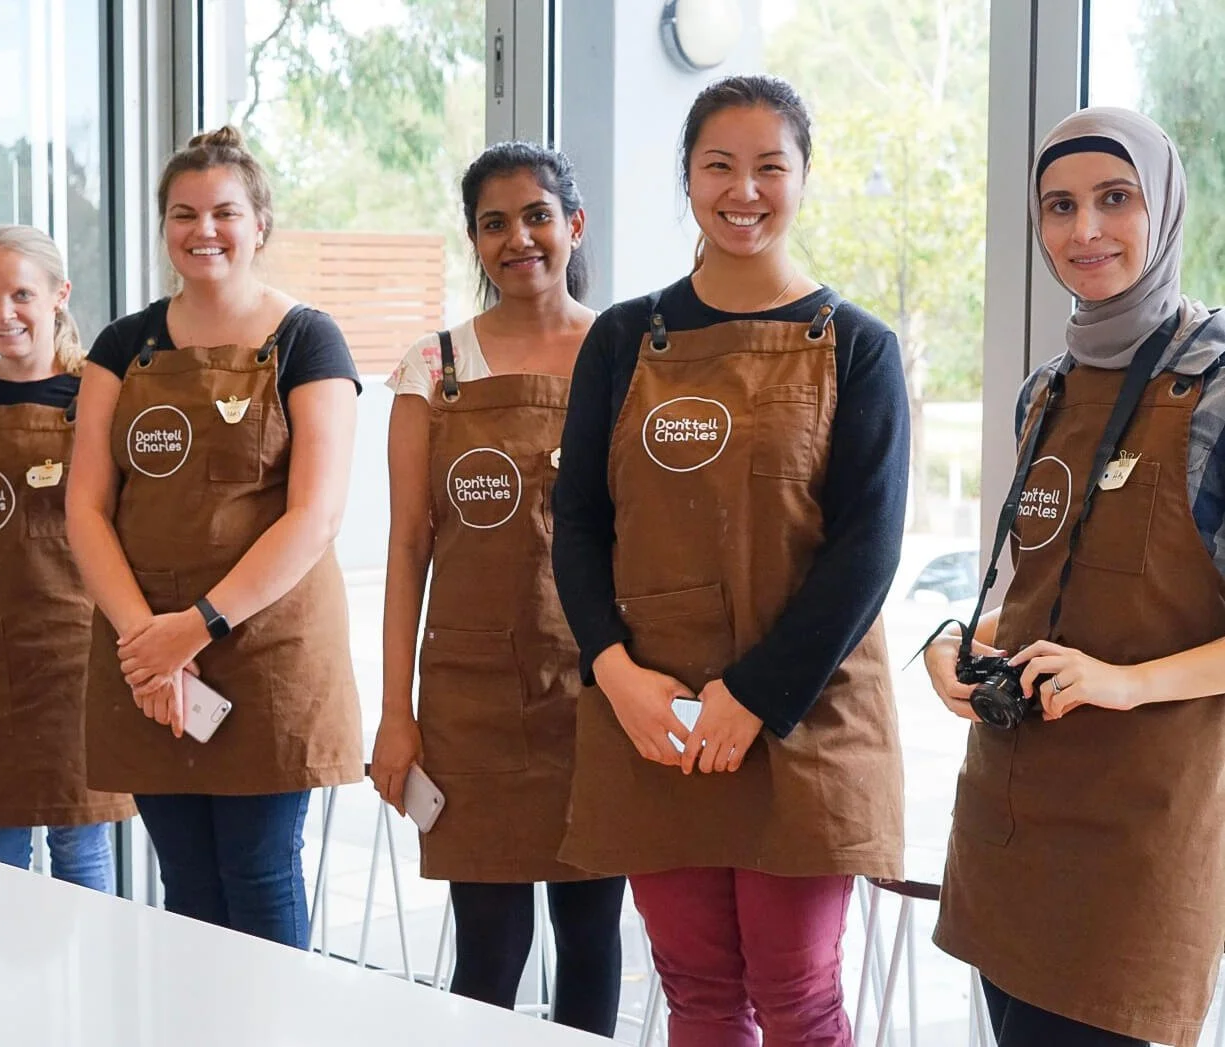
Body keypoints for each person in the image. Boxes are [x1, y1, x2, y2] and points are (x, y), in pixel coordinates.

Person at [551, 74, 908, 1047]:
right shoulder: (622, 339)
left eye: (767, 167)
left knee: (798, 996)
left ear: (802, 179)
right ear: (686, 179)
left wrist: (750, 697)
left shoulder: (857, 347)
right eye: (718, 165)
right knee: (696, 988)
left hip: (803, 717)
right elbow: (575, 521)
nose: (741, 190)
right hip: (655, 717)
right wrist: (614, 672)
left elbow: (865, 550)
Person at [928, 108, 1225, 1047]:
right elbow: (1035, 590)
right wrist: (952, 644)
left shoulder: (1215, 384)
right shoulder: (1043, 392)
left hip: (1140, 839)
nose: (1083, 229)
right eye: (1058, 205)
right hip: (1007, 821)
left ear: (1165, 208)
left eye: (1114, 198)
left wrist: (1124, 681)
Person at [66, 126, 363, 948]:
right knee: (187, 878)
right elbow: (85, 508)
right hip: (146, 652)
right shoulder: (121, 348)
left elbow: (316, 513)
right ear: (163, 227)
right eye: (183, 213)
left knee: (260, 870)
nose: (204, 230)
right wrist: (144, 640)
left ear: (259, 224)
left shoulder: (309, 339)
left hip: (265, 649)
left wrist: (191, 629)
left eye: (225, 212)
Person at [369, 142, 625, 1034]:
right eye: (493, 223)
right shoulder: (432, 368)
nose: (518, 238)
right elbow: (407, 548)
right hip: (468, 698)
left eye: (536, 216)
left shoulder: (627, 354)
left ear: (573, 225)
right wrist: (395, 712)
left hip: (604, 690)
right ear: (474, 241)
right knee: (486, 953)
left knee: (591, 939)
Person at [0, 225, 134, 890]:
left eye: (20, 293)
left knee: (81, 843)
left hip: (76, 652)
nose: (2, 312)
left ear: (58, 296)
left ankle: (90, 991)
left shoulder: (97, 397)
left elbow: (122, 526)